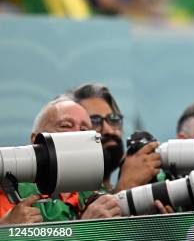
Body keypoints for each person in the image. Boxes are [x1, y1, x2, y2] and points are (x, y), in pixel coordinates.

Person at [0, 95, 121, 223]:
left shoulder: (95, 194)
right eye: (66, 126)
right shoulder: (11, 190)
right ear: (36, 141)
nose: (77, 134)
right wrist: (6, 230)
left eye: (84, 130)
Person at [70, 83, 162, 195]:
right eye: (94, 121)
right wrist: (126, 186)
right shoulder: (65, 199)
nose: (109, 130)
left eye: (113, 119)